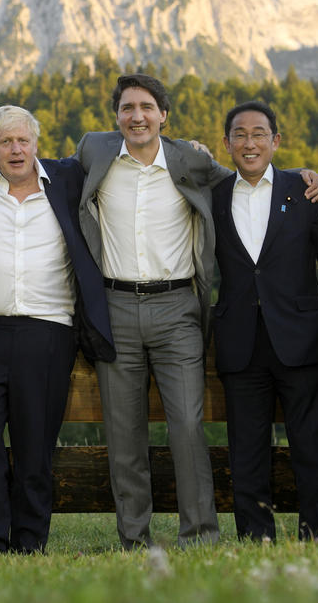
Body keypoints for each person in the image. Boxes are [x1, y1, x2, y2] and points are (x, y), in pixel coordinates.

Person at [73, 73, 233, 548]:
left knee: (186, 424)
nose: (136, 116)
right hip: (115, 306)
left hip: (178, 308)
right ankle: (134, 538)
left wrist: (302, 180)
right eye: (127, 107)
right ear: (116, 115)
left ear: (164, 115)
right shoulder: (95, 151)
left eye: (146, 107)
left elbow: (247, 183)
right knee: (124, 433)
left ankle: (200, 535)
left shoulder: (192, 159)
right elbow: (37, 168)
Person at [0, 106, 112, 554]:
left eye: (23, 140)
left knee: (35, 446)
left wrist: (191, 151)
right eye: (5, 142)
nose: (15, 149)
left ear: (37, 143)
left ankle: (29, 541)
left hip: (48, 332)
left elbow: (122, 153)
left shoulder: (67, 179)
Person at [212, 101, 318, 541]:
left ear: (276, 141)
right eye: (240, 135)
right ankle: (255, 536)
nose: (250, 143)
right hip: (239, 340)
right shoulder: (213, 196)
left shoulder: (304, 190)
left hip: (300, 337)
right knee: (246, 449)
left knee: (312, 443)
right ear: (226, 144)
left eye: (259, 134)